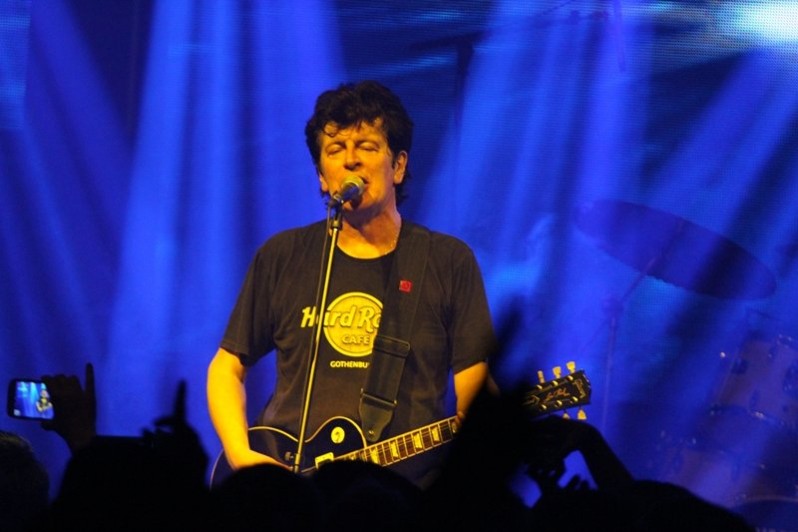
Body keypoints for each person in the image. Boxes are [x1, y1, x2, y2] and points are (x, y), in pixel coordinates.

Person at [206, 79, 496, 489]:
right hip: (293, 494)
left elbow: (475, 388)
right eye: (335, 149)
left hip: (403, 495)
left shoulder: (447, 261)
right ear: (322, 177)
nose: (351, 160)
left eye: (366, 146)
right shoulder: (283, 255)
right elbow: (226, 367)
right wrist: (241, 455)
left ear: (398, 166)